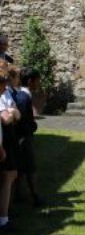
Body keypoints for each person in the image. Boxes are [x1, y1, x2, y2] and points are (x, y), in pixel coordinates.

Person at [10, 67, 44, 207]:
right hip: (24, 137)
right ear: (30, 81)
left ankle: (18, 194)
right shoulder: (23, 98)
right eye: (37, 81)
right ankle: (35, 196)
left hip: (23, 136)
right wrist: (32, 127)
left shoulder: (22, 95)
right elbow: (22, 121)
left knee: (21, 167)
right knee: (30, 167)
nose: (38, 84)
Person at [0, 69, 21, 232]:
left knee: (12, 175)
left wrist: (13, 112)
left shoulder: (6, 92)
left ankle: (6, 213)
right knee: (7, 176)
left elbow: (16, 113)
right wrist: (12, 113)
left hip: (7, 140)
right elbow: (6, 119)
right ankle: (3, 218)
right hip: (4, 140)